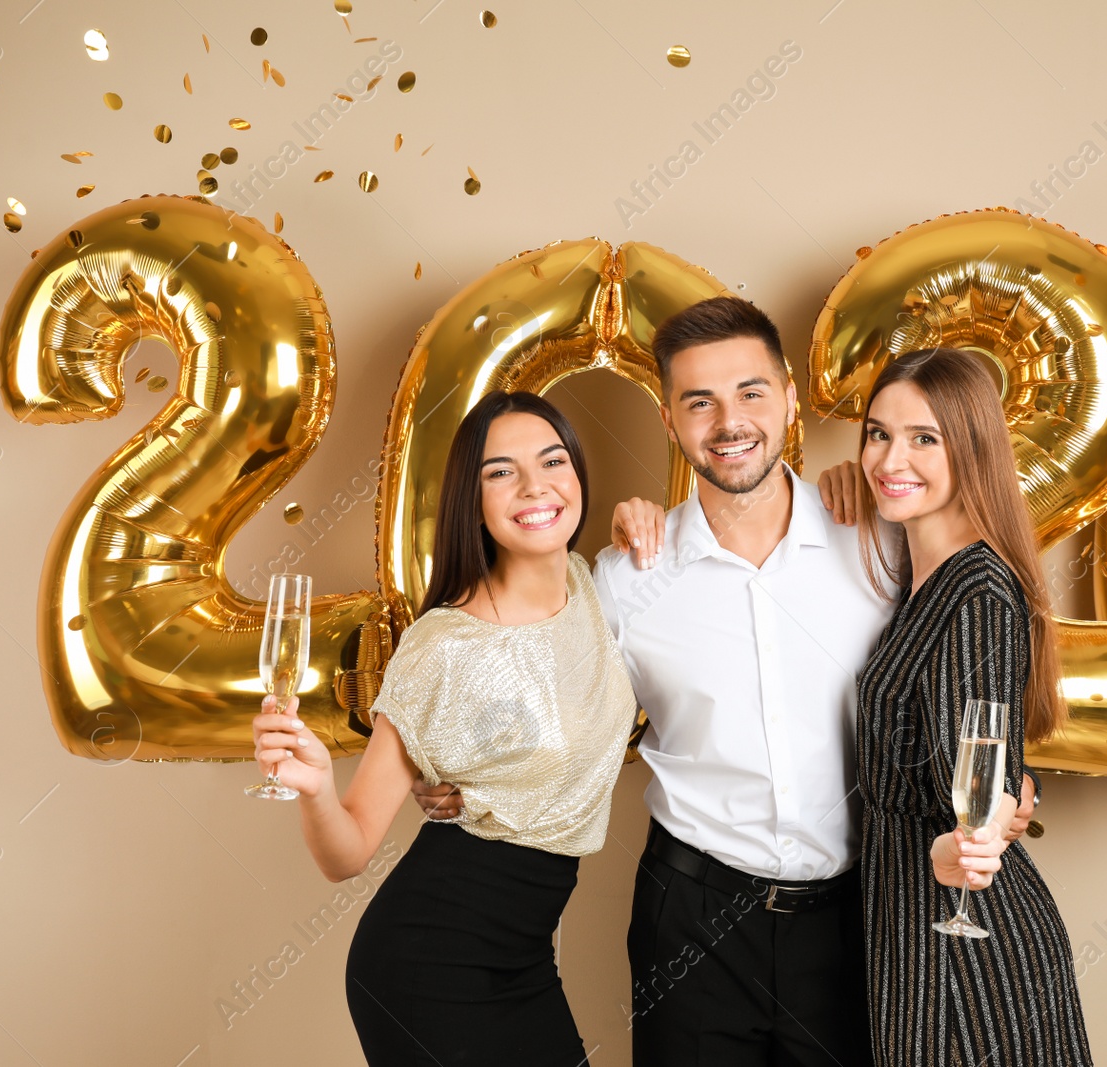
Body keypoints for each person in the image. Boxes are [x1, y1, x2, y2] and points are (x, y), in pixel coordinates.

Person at [411, 298, 1038, 1065]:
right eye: (698, 401)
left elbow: (961, 677)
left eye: (750, 392)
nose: (728, 420)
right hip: (692, 920)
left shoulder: (881, 541)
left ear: (788, 403)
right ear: (671, 422)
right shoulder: (625, 578)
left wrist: (1013, 784)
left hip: (856, 917)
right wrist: (454, 767)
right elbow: (537, 687)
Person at [250, 390, 637, 1066]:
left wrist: (647, 514)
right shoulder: (443, 646)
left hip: (525, 955)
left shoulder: (592, 585)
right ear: (473, 498)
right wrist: (314, 787)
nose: (534, 485)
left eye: (552, 460)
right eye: (500, 472)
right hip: (428, 964)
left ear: (577, 472)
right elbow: (347, 855)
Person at [853, 347, 1092, 1065]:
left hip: (964, 945)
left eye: (925, 437)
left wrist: (958, 844)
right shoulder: (920, 576)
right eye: (877, 433)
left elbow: (976, 790)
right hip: (908, 927)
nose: (893, 457)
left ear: (972, 447)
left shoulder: (977, 593)